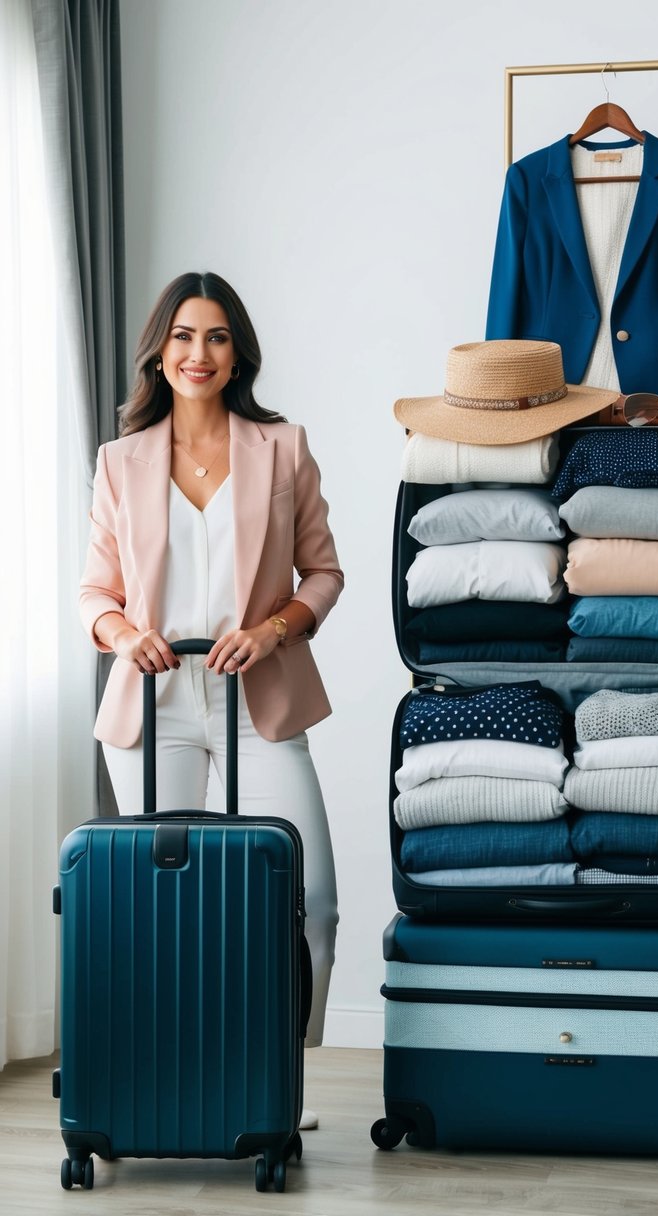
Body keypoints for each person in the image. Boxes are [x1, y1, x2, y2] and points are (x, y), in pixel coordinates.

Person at [79, 271, 344, 1130]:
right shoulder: (119, 462)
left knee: (306, 903)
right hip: (155, 711)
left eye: (218, 337)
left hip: (256, 699)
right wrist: (126, 637)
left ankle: (283, 1077)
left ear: (238, 354)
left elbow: (324, 573)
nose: (199, 353)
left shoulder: (283, 447)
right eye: (184, 336)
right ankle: (178, 1076)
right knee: (168, 907)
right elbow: (95, 595)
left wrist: (271, 631)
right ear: (160, 349)